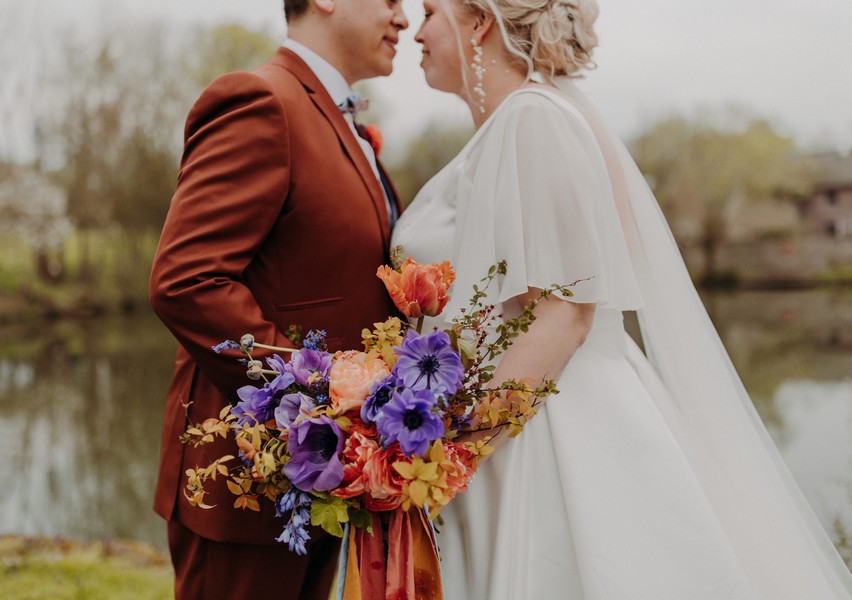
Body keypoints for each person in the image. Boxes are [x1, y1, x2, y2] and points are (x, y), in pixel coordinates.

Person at [392, 0, 852, 598]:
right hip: (509, 419)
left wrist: (455, 451)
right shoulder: (520, 122)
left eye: (431, 11)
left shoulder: (534, 118)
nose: (417, 32)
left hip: (547, 432)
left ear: (479, 22)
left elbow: (564, 315)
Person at [148, 1, 408, 598]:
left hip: (323, 479)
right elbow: (187, 280)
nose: (404, 17)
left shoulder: (342, 122)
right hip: (248, 482)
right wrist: (319, 399)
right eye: (391, 0)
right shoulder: (260, 101)